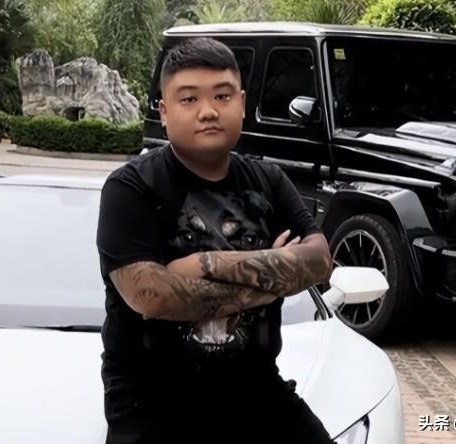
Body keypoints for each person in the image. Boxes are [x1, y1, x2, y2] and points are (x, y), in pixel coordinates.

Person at [96, 37, 334, 444]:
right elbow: (153, 297)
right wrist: (271, 276)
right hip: (152, 405)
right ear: (164, 112)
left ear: (241, 103)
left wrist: (201, 265)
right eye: (189, 99)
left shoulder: (269, 181)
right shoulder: (131, 187)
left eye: (222, 96)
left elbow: (318, 261)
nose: (208, 111)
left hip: (258, 393)